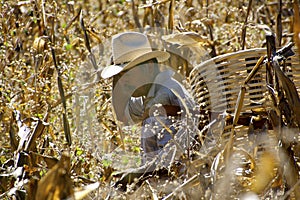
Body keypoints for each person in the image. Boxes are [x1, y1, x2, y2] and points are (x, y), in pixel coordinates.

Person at [101, 31, 198, 187]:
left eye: (129, 73)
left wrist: (136, 177)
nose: (124, 82)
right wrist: (117, 76)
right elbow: (122, 116)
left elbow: (171, 166)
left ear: (149, 67)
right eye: (121, 75)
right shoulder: (151, 93)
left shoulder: (164, 98)